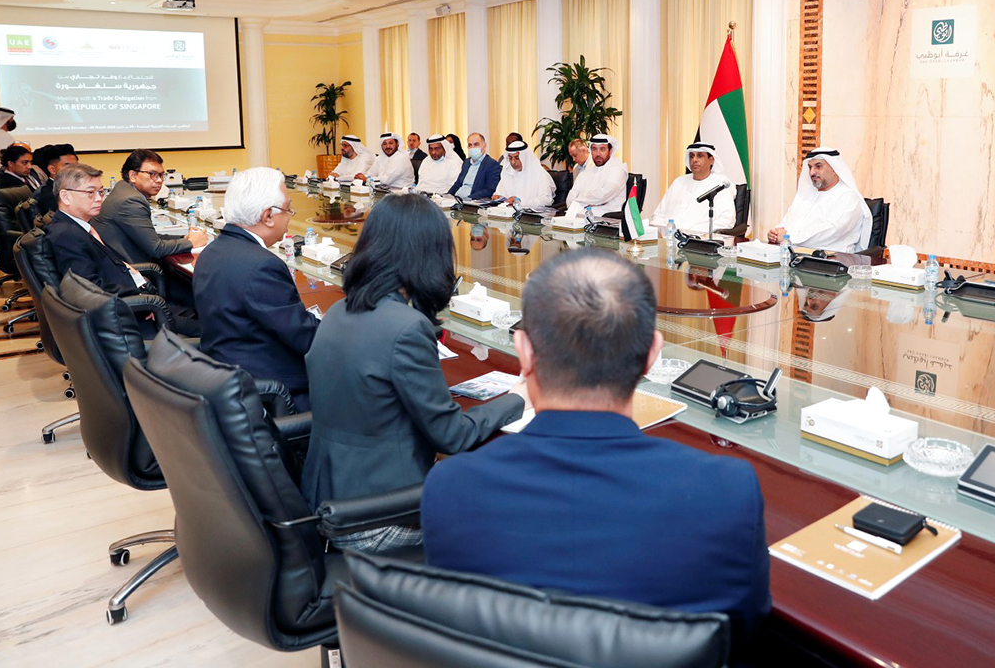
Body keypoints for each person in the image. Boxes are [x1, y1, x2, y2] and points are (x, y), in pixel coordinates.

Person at [423, 248, 770, 638]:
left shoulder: (451, 486)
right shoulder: (727, 492)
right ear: (652, 355)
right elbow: (748, 630)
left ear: (524, 352)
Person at [302, 193, 524, 552]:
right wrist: (517, 399)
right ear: (429, 254)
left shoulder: (340, 311)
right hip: (379, 520)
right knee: (511, 519)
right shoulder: (406, 328)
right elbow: (452, 436)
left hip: (329, 501)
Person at [193, 168, 320, 411]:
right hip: (273, 393)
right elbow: (304, 336)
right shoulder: (262, 265)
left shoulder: (213, 250)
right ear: (268, 216)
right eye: (288, 209)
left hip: (228, 377)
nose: (290, 216)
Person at [44, 162, 200, 335]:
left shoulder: (76, 226)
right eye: (90, 193)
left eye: (101, 192)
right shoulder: (67, 235)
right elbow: (88, 289)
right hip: (129, 316)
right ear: (65, 196)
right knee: (210, 329)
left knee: (197, 310)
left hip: (137, 302)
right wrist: (141, 302)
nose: (99, 199)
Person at [93, 149, 207, 264]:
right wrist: (191, 243)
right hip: (132, 270)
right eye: (152, 174)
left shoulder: (123, 188)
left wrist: (184, 238)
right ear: (133, 175)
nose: (159, 180)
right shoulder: (131, 201)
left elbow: (149, 238)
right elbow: (156, 249)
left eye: (161, 175)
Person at [768, 148, 871, 252]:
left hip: (832, 258)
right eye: (810, 167)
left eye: (818, 166)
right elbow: (787, 222)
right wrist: (775, 233)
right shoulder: (805, 194)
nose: (812, 172)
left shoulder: (848, 197)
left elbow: (832, 232)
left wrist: (789, 237)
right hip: (795, 255)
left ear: (834, 169)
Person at [652, 142, 737, 233]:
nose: (694, 160)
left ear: (711, 160)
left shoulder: (720, 184)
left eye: (700, 156)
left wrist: (694, 232)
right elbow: (659, 214)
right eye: (691, 156)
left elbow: (726, 220)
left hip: (700, 238)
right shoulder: (679, 182)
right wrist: (662, 231)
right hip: (668, 237)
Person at [565, 134, 628, 216]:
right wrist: (586, 202)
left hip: (606, 217)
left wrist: (579, 201)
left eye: (602, 149)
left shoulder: (618, 170)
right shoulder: (586, 173)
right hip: (582, 215)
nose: (598, 154)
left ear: (610, 151)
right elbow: (570, 198)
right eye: (594, 149)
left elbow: (603, 195)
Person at [492, 140, 554, 208]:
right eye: (510, 158)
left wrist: (520, 201)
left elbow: (546, 200)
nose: (512, 162)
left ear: (525, 158)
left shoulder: (540, 174)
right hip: (508, 212)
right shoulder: (507, 172)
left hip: (530, 213)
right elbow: (500, 193)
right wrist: (497, 196)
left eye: (517, 158)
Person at [447, 132, 502, 200]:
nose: (472, 148)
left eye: (476, 144)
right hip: (457, 199)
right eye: (470, 145)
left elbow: (490, 190)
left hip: (471, 201)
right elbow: (457, 184)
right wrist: (447, 196)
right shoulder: (466, 163)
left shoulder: (492, 164)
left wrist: (468, 198)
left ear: (484, 146)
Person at [32, 144, 77, 213]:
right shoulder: (47, 194)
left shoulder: (73, 187)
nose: (74, 170)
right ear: (52, 169)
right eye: (68, 166)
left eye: (76, 165)